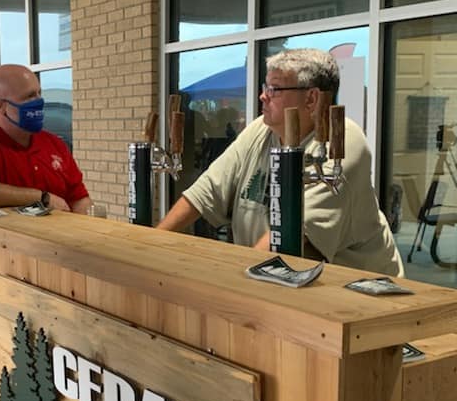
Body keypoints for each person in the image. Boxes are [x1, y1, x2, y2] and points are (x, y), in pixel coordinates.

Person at [158, 48, 404, 277]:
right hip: (283, 278)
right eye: (266, 86)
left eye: (275, 89)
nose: (262, 96)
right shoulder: (261, 129)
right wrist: (151, 243)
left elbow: (291, 233)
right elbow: (206, 192)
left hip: (357, 291)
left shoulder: (341, 143)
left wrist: (238, 281)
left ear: (311, 98)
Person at [0, 64, 91, 335]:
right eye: (28, 97)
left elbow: (79, 197)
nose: (38, 102)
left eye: (38, 93)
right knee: (9, 363)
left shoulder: (54, 144)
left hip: (55, 271)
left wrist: (83, 230)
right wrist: (41, 198)